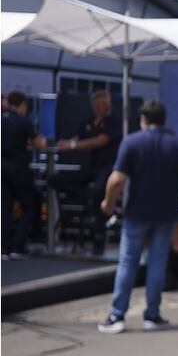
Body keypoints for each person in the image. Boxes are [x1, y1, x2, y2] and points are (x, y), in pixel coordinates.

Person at [96, 101, 178, 333]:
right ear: (164, 119)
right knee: (157, 262)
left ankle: (117, 315)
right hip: (166, 213)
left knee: (128, 262)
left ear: (143, 118)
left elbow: (117, 180)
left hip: (136, 211)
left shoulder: (131, 142)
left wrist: (108, 204)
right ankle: (152, 315)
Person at [55, 90, 123, 255]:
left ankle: (98, 240)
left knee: (99, 192)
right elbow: (80, 138)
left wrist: (72, 146)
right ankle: (86, 200)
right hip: (92, 166)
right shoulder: (88, 123)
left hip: (109, 167)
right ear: (94, 106)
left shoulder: (114, 123)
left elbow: (99, 141)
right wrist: (65, 143)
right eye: (102, 104)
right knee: (56, 179)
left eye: (108, 103)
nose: (106, 107)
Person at [2, 92, 46, 259]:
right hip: (18, 167)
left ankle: (3, 248)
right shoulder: (23, 121)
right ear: (22, 105)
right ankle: (18, 246)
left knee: (5, 206)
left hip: (2, 165)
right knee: (30, 204)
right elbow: (39, 143)